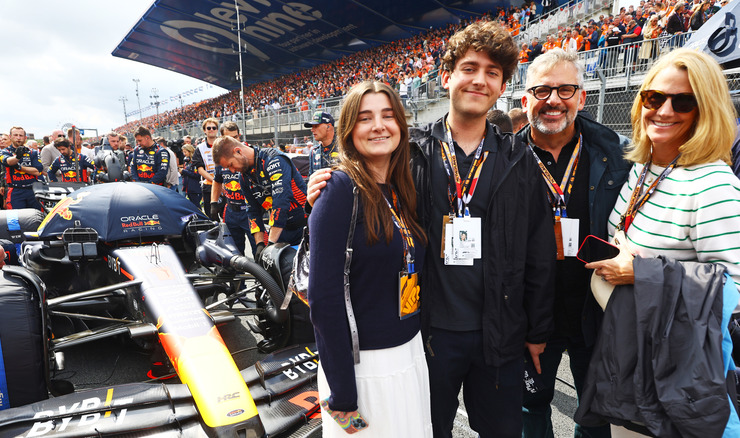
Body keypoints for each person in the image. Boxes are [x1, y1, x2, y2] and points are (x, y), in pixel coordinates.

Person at [309, 21, 555, 438]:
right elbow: (366, 196)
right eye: (469, 68)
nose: (479, 80)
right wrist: (327, 185)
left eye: (492, 73)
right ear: (446, 77)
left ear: (501, 87)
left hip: (498, 334)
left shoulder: (520, 160)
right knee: (429, 429)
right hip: (426, 337)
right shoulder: (413, 153)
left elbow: (538, 251)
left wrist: (537, 330)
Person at [582, 48, 740, 437]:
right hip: (635, 359)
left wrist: (641, 272)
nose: (664, 111)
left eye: (683, 101)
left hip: (675, 375)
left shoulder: (713, 185)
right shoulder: (643, 168)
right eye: (654, 98)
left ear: (705, 110)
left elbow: (734, 291)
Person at [518, 48, 631, 438]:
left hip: (594, 313)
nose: (553, 100)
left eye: (566, 90)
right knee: (530, 410)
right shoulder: (504, 160)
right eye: (543, 90)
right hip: (532, 318)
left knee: (594, 415)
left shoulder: (617, 156)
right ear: (525, 99)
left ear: (581, 98)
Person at [309, 80, 431, 437]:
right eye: (365, 118)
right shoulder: (339, 188)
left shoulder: (399, 189)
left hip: (409, 355)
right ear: (349, 130)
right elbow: (323, 301)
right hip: (364, 371)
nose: (379, 125)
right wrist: (343, 398)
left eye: (388, 115)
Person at [212, 135, 308, 250]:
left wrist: (271, 244)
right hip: (280, 231)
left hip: (306, 227)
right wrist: (260, 244)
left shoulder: (274, 159)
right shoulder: (243, 177)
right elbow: (252, 211)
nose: (232, 170)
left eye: (231, 165)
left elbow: (281, 202)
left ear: (238, 151)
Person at [210, 121, 255, 255]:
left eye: (235, 137)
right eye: (229, 138)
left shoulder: (249, 154)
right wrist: (213, 203)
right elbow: (217, 181)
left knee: (259, 251)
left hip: (250, 211)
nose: (233, 141)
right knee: (233, 252)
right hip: (231, 210)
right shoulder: (221, 157)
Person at [0, 126, 43, 210]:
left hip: (33, 190)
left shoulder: (33, 152)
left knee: (37, 218)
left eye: (21, 135)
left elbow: (37, 171)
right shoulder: (4, 151)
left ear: (25, 138)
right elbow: (7, 161)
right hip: (15, 190)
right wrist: (17, 157)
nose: (18, 138)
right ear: (10, 137)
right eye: (15, 135)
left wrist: (19, 167)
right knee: (15, 219)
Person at [193, 118, 220, 216]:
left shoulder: (224, 144)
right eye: (209, 128)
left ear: (217, 129)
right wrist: (215, 181)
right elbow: (200, 169)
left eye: (214, 127)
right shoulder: (200, 148)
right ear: (204, 130)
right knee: (211, 215)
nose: (211, 129)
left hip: (226, 185)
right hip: (209, 186)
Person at [305, 111, 339, 175]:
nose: (312, 130)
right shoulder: (313, 151)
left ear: (328, 126)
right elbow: (311, 177)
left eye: (316, 126)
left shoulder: (345, 148)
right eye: (312, 126)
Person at [181, 144, 202, 209]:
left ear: (190, 151)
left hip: (195, 188)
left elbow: (197, 175)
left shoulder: (195, 161)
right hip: (188, 188)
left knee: (197, 207)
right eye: (183, 152)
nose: (184, 154)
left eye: (185, 152)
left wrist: (184, 171)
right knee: (192, 207)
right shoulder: (187, 162)